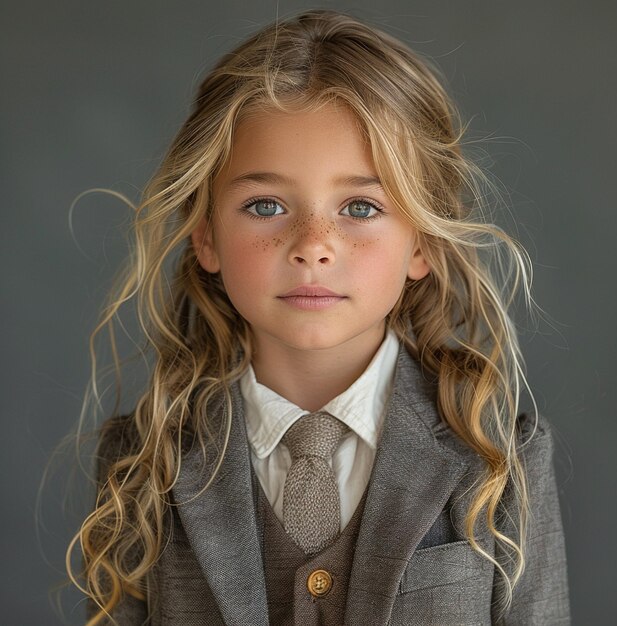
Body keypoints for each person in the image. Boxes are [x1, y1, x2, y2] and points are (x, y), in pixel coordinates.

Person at [67, 9, 570, 625]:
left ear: (423, 243)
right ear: (206, 236)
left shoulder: (500, 458)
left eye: (360, 206)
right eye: (266, 204)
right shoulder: (141, 463)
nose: (314, 243)